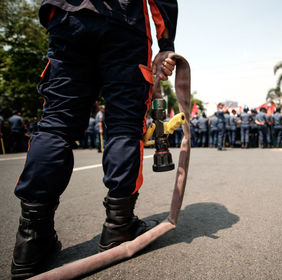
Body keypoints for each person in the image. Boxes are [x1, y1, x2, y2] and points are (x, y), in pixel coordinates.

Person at [11, 1, 178, 278]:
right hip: (123, 20)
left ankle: (31, 239)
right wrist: (166, 43)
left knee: (56, 125)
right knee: (125, 125)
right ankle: (118, 225)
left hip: (67, 16)